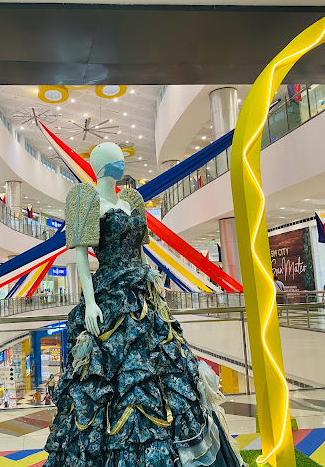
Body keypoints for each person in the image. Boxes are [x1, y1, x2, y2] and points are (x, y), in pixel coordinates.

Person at [44, 142, 242, 466]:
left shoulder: (130, 201)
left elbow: (140, 251)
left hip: (143, 295)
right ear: (103, 164)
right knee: (117, 375)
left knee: (166, 365)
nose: (121, 163)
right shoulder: (89, 202)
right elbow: (81, 255)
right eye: (116, 159)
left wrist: (154, 287)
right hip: (110, 296)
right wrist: (90, 303)